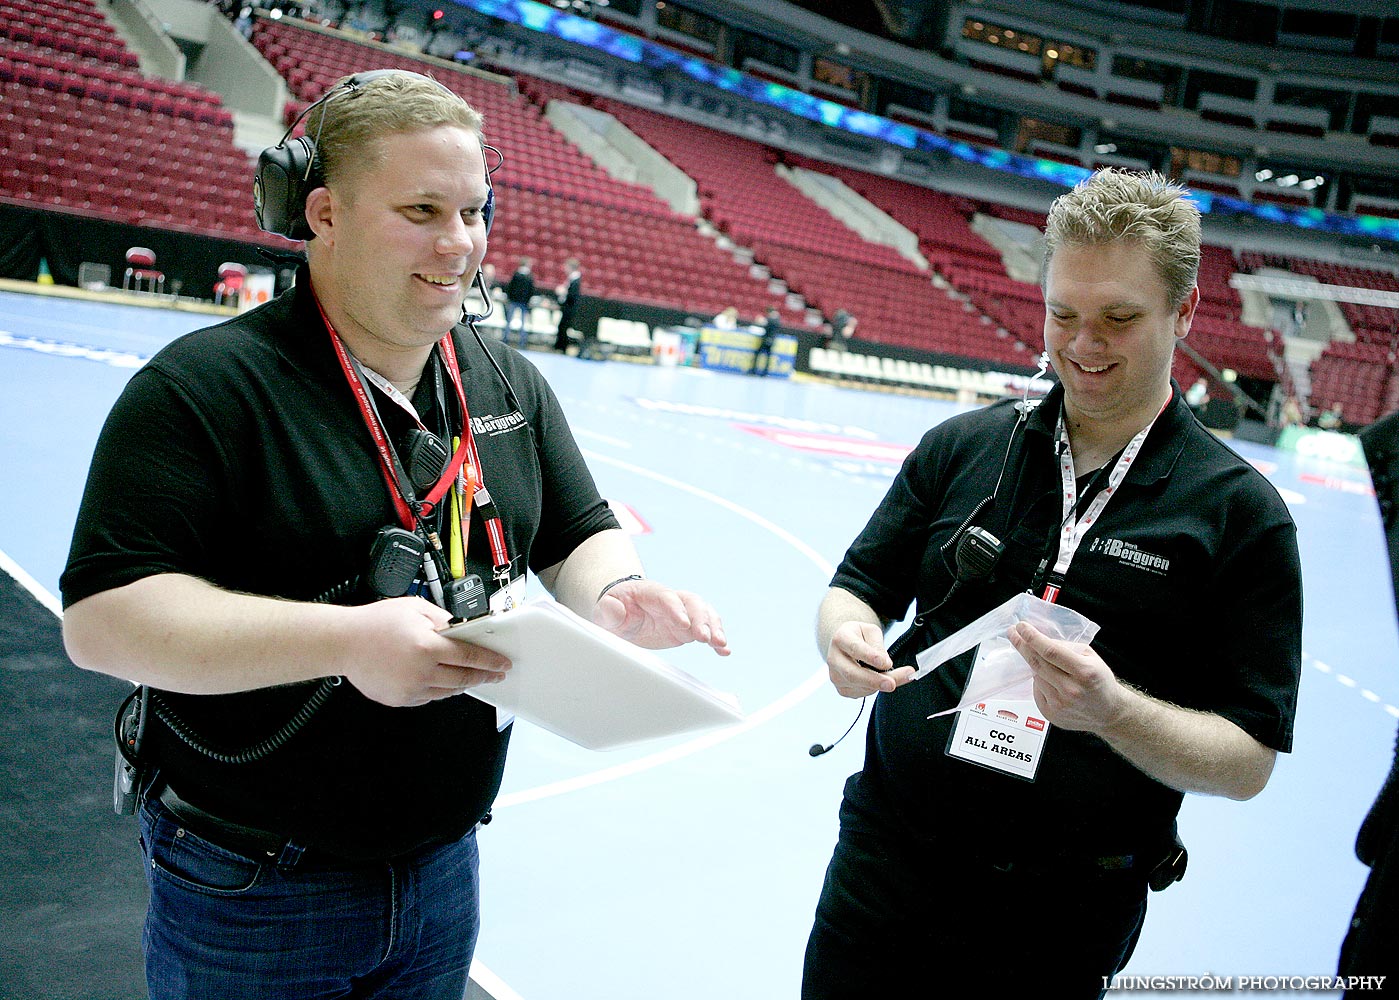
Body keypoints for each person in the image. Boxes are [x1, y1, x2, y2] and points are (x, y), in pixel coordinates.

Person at [60, 71, 730, 1000]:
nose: (459, 245)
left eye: (473, 211)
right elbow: (104, 620)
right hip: (256, 885)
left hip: (442, 870)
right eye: (422, 210)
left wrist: (615, 592)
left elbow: (577, 530)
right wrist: (343, 642)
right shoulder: (205, 389)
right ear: (322, 213)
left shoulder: (503, 380)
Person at [802, 168, 1302, 998]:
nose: (1081, 344)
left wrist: (1111, 712)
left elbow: (1246, 761)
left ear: (1182, 313)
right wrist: (842, 637)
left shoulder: (1240, 516)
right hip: (882, 870)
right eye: (1061, 314)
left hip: (1060, 916)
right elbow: (855, 588)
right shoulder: (962, 447)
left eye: (1118, 318)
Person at [552, 256, 583, 355]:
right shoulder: (572, 279)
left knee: (564, 327)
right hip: (567, 307)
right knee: (562, 327)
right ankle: (560, 346)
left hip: (570, 308)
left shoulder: (575, 280)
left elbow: (572, 295)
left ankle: (562, 347)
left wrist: (563, 292)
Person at [502, 255, 535, 349]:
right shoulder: (529, 276)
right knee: (523, 323)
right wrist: (528, 300)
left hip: (513, 300)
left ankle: (505, 338)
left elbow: (510, 287)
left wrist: (509, 297)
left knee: (509, 321)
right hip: (524, 302)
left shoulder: (516, 274)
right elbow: (531, 290)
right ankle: (522, 342)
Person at [752, 305, 780, 376]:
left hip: (767, 339)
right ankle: (765, 372)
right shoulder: (777, 319)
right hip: (772, 339)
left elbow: (766, 326)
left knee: (759, 354)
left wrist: (761, 321)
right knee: (768, 356)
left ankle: (754, 370)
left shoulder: (771, 319)